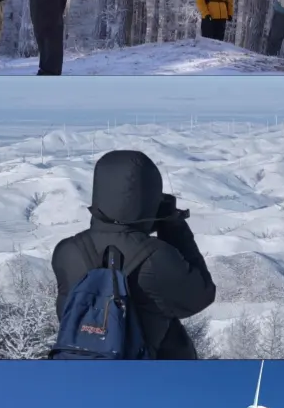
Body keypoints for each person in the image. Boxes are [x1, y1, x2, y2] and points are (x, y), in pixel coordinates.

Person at [51, 150, 216, 359]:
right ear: (150, 196)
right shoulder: (156, 257)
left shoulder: (66, 251)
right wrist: (173, 227)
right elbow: (201, 295)